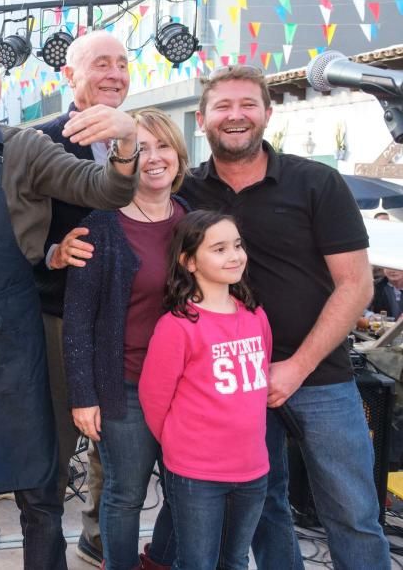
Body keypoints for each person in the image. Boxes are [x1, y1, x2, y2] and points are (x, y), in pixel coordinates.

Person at [0, 36, 138, 570]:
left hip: (15, 331)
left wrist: (126, 142)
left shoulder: (27, 147)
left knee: (37, 466)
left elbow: (104, 190)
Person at [178, 65, 390, 569]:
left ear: (267, 114)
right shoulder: (187, 192)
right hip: (232, 381)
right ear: (203, 119)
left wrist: (296, 367)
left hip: (321, 377)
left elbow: (356, 284)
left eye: (247, 105)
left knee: (353, 511)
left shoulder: (316, 181)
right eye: (223, 107)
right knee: (264, 510)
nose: (236, 116)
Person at [63, 108, 184, 570]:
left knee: (188, 487)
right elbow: (77, 320)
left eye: (164, 146)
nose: (154, 158)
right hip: (126, 387)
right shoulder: (102, 224)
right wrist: (84, 396)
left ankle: (158, 560)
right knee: (125, 494)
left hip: (185, 388)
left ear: (179, 153)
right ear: (124, 159)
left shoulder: (192, 219)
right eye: (142, 147)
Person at [33, 30, 134, 567]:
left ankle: (97, 536)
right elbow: (10, 229)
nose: (114, 72)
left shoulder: (143, 136)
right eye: (101, 63)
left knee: (116, 441)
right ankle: (44, 548)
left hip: (132, 317)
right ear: (70, 75)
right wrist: (50, 251)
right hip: (59, 315)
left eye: (122, 62)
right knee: (56, 441)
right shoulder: (40, 140)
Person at [139, 210, 271, 570]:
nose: (234, 255)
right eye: (219, 248)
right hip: (196, 475)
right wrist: (183, 448)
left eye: (238, 245)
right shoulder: (177, 327)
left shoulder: (255, 317)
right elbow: (154, 400)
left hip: (253, 470)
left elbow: (258, 386)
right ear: (189, 261)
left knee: (235, 561)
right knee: (197, 562)